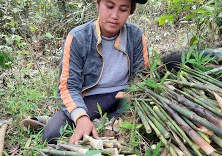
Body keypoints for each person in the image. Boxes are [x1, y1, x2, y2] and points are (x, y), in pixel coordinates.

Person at [41, 0, 149, 144]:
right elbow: (68, 86)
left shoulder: (135, 35)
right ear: (98, 4)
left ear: (130, 11)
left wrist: (133, 94)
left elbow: (142, 77)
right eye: (109, 7)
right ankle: (76, 119)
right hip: (91, 100)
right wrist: (81, 118)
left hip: (123, 96)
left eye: (123, 9)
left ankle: (103, 121)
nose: (114, 15)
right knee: (52, 134)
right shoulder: (78, 37)